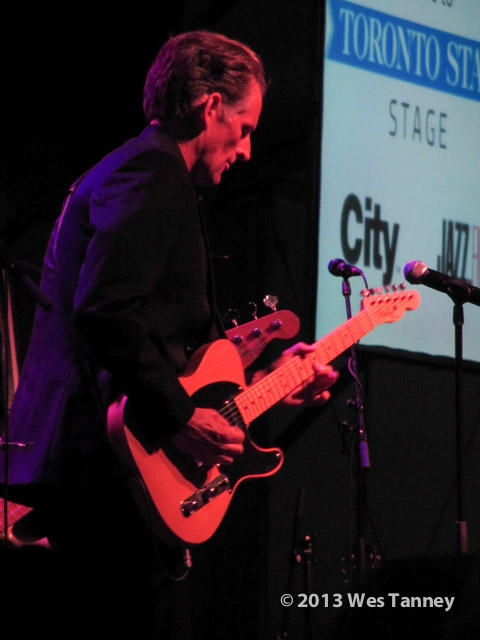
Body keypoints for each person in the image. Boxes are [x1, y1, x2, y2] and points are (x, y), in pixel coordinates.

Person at [0, 30, 338, 638]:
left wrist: (272, 379)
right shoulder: (151, 172)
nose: (247, 149)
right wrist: (180, 417)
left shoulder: (143, 170)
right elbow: (105, 311)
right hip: (99, 477)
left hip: (108, 474)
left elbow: (156, 343)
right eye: (245, 128)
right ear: (211, 107)